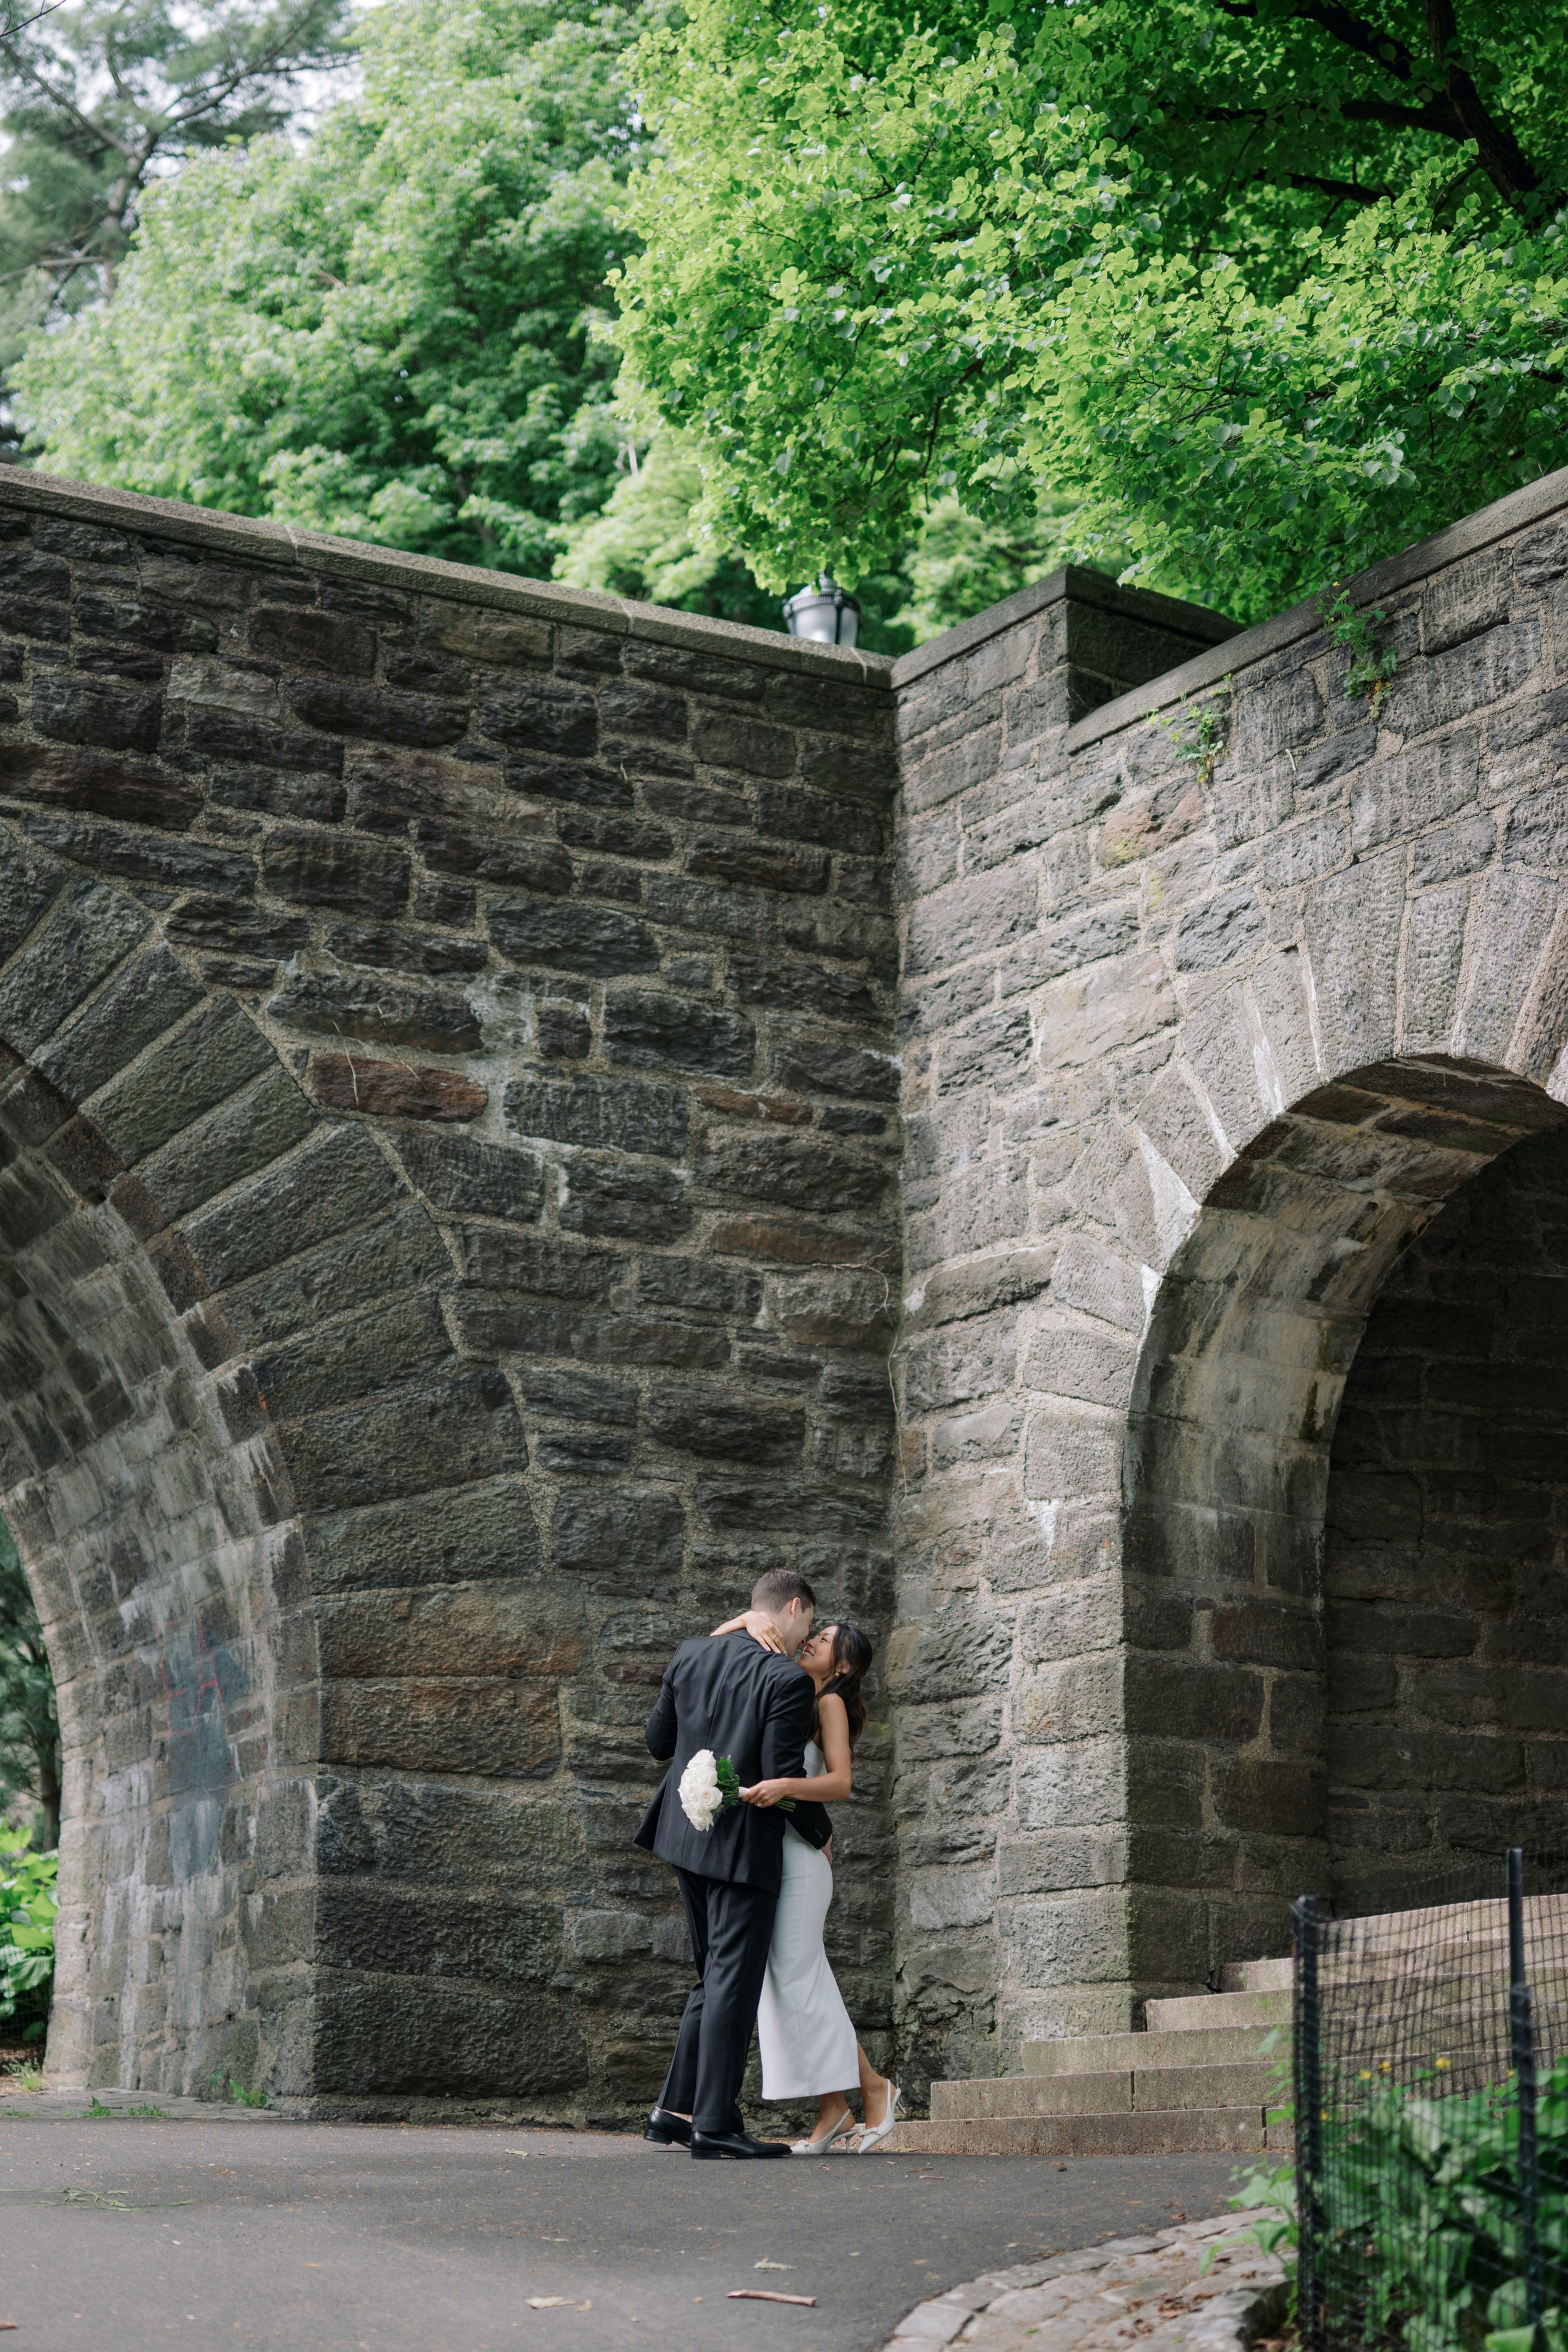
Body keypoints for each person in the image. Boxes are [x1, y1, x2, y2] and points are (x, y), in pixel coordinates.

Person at [633, 1567, 831, 2160]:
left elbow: (657, 1743)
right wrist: (820, 1834)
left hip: (682, 1835)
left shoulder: (691, 1653)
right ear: (794, 1608)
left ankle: (672, 2113)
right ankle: (715, 2124)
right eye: (810, 1625)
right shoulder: (785, 1679)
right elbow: (779, 1774)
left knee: (709, 1978)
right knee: (731, 1983)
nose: (807, 1638)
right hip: (742, 1847)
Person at [712, 1610, 901, 2155]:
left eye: (824, 1640)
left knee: (796, 1979)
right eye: (814, 1633)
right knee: (793, 1980)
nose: (812, 1641)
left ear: (842, 1663)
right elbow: (712, 1642)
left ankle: (872, 2090)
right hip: (784, 1854)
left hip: (801, 1863)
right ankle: (833, 2108)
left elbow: (840, 1781)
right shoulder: (791, 1689)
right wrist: (748, 1617)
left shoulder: (830, 1702)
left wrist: (780, 1787)